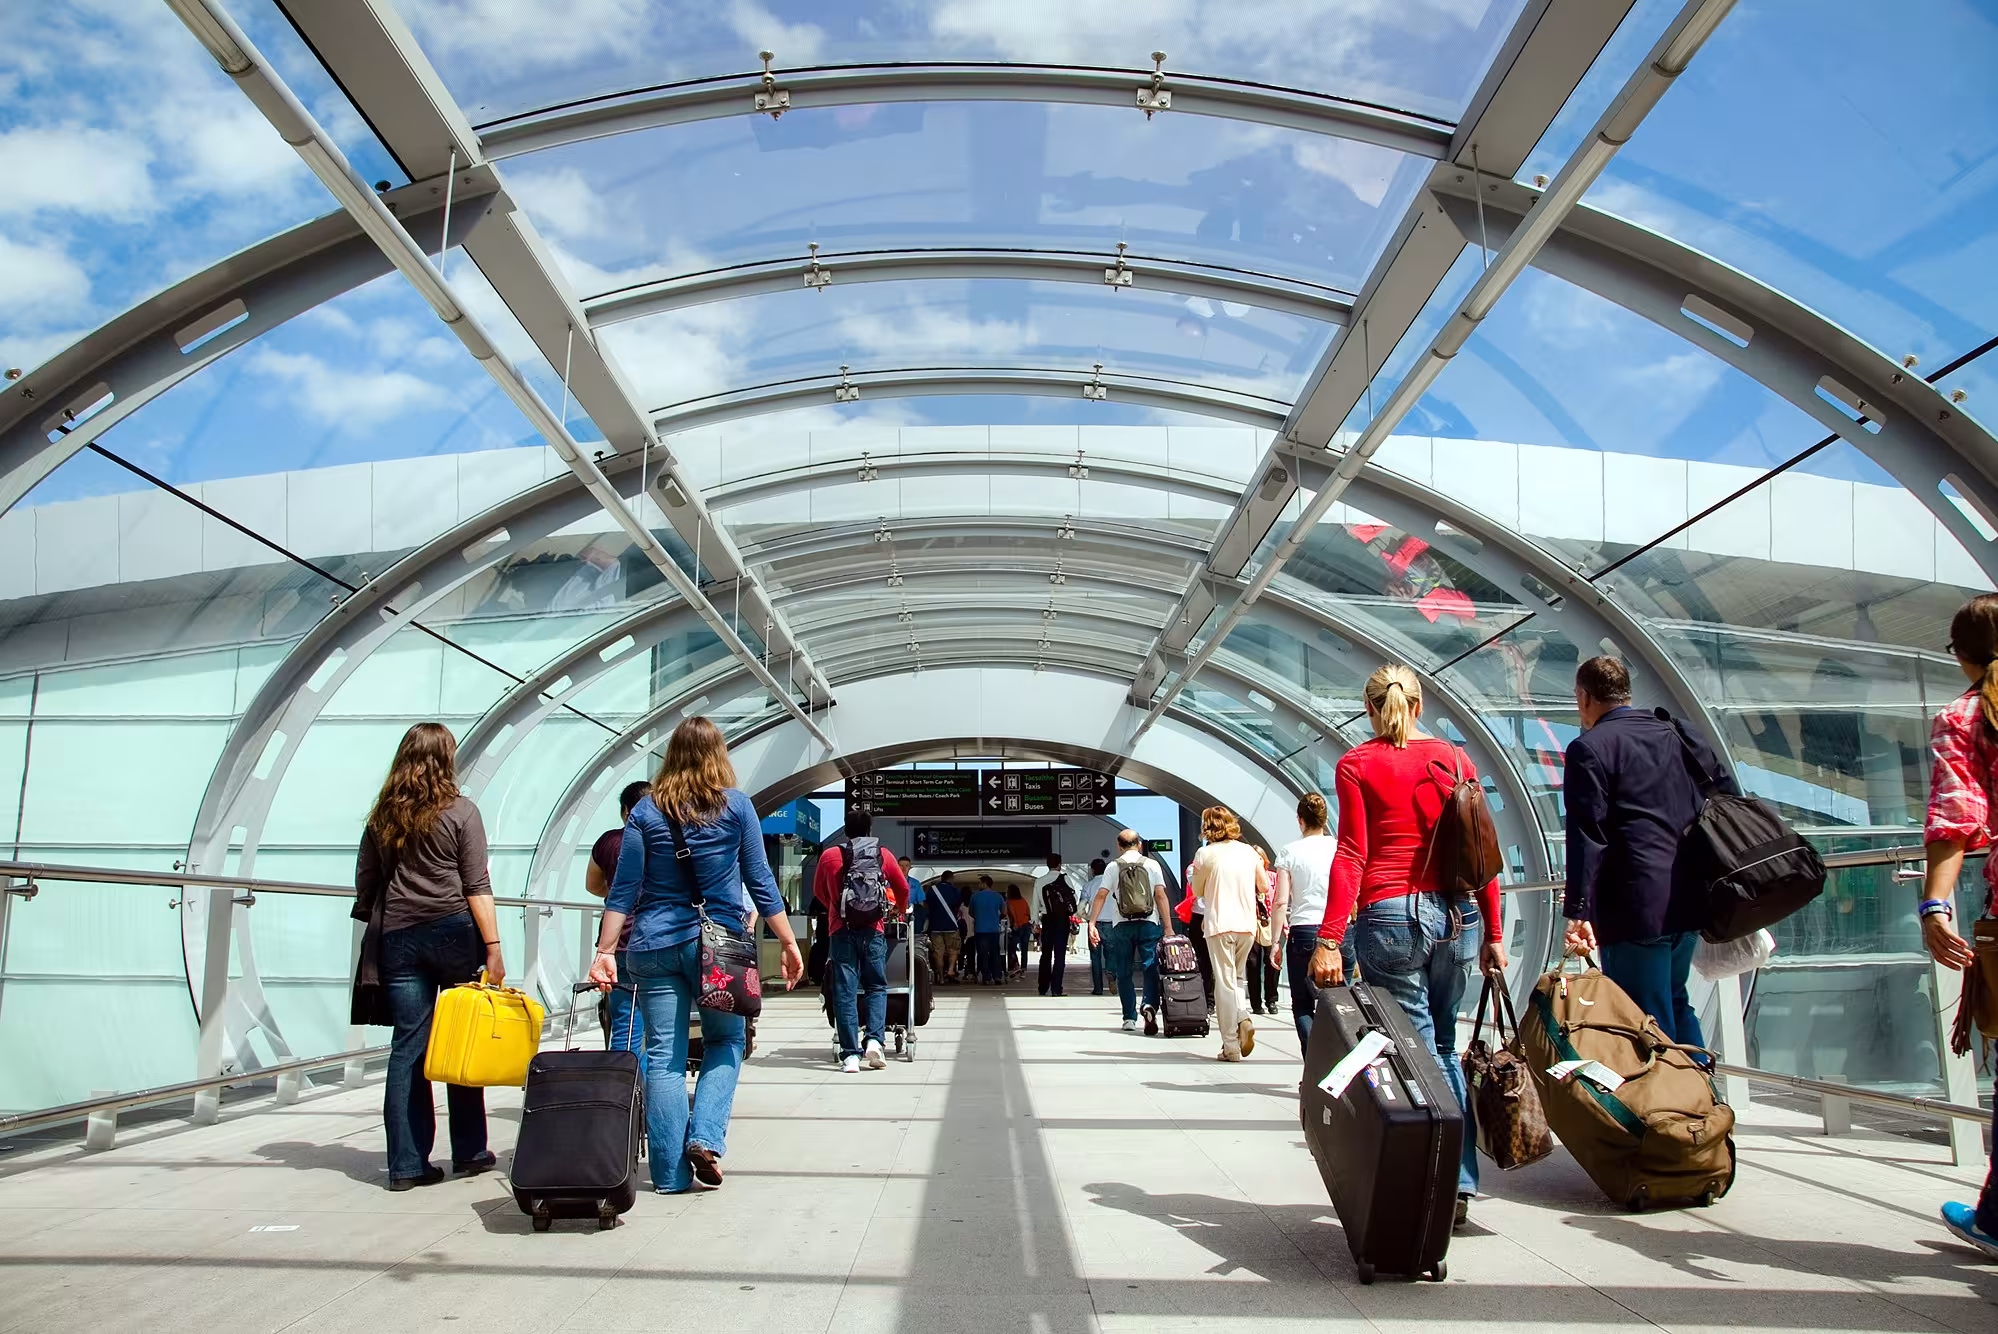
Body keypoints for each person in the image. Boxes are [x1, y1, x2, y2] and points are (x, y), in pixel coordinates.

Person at [1310, 665, 1506, 1228]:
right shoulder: (1455, 760)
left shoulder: (1358, 763)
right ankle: (1460, 1184)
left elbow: (1351, 854)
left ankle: (1437, 1181)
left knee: (1414, 1050)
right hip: (1458, 915)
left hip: (1391, 915)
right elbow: (1481, 851)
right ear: (1419, 706)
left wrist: (1329, 939)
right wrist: (1493, 932)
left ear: (1370, 708)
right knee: (1442, 1045)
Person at [587, 716, 804, 1194]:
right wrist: (788, 942)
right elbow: (760, 880)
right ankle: (705, 1137)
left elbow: (622, 892)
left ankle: (668, 1176)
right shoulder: (736, 807)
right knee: (725, 1041)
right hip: (718, 947)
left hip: (654, 945)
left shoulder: (645, 813)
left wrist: (605, 951)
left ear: (672, 756)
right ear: (719, 755)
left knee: (662, 1055)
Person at [352, 722, 504, 1191]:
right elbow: (476, 885)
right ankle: (470, 1151)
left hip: (397, 935)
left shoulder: (382, 817)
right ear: (447, 759)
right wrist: (494, 948)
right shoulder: (462, 811)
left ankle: (406, 1164)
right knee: (461, 1035)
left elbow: (366, 879)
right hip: (454, 930)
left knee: (408, 1048)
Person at [1560, 655, 1734, 1048]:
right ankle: (1704, 1101)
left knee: (1641, 1017)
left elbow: (1588, 833)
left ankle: (1669, 1106)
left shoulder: (1590, 748)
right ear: (1626, 693)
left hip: (1634, 906)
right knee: (1676, 1000)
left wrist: (1578, 910)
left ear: (1584, 698)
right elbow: (1725, 792)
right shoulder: (1675, 731)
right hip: (1688, 897)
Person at [1915, 594, 1998, 1258]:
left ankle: (1996, 1218)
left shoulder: (1965, 717)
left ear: (1962, 653)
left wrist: (1935, 906)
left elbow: (1954, 822)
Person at [813, 810, 912, 1072]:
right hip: (874, 929)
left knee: (845, 990)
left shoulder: (829, 855)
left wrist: (836, 909)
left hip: (840, 929)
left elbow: (818, 892)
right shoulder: (882, 854)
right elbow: (902, 888)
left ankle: (850, 1056)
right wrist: (897, 910)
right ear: (869, 830)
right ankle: (875, 1042)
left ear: (845, 829)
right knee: (876, 986)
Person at [1188, 806, 1269, 1061]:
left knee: (1223, 983)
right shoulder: (1248, 852)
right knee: (1238, 979)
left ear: (1208, 826)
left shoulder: (1205, 853)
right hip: (1247, 925)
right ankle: (1242, 1013)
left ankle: (1231, 1044)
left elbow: (1198, 891)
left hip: (1219, 924)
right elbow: (1264, 886)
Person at [584, 780, 653, 1061]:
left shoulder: (609, 842)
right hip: (657, 939)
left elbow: (592, 885)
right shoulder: (665, 840)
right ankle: (649, 1095)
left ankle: (623, 1094)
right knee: (660, 1028)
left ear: (626, 811)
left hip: (618, 941)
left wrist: (615, 896)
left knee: (625, 1023)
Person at [1089, 831, 1172, 1033]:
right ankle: (1149, 1005)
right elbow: (1160, 895)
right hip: (1149, 923)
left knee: (1124, 971)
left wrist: (1092, 922)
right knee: (1150, 967)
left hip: (1122, 924)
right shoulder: (1152, 865)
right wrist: (1168, 927)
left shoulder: (1113, 866)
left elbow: (1101, 895)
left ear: (1119, 845)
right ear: (1140, 845)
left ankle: (1129, 1018)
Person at [1272, 792, 1337, 1044]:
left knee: (1302, 1004)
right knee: (1338, 1003)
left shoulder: (1289, 852)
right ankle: (1337, 1071)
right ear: (1325, 819)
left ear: (1299, 820)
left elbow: (1280, 901)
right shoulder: (1339, 847)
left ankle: (1313, 1068)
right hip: (1339, 930)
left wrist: (1276, 942)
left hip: (1304, 930)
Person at [1034, 854, 1081, 996]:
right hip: (1062, 920)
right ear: (1059, 864)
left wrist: (1035, 922)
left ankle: (1042, 987)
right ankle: (1056, 989)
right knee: (1060, 956)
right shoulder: (1066, 879)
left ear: (1047, 864)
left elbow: (1035, 904)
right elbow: (1074, 899)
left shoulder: (1040, 881)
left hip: (1047, 919)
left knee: (1046, 954)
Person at [1245, 845, 1282, 1016]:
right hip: (1251, 924)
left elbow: (1279, 901)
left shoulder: (1273, 877)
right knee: (1252, 964)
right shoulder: (1245, 879)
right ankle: (1256, 1003)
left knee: (1272, 962)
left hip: (1270, 924)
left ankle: (1272, 999)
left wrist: (1284, 926)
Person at [968, 875, 1007, 984]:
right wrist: (996, 919)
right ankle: (997, 976)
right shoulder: (998, 896)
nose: (978, 885)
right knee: (995, 953)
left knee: (982, 954)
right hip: (994, 929)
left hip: (980, 929)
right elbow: (1004, 912)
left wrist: (979, 917)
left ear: (985, 883)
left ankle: (986, 977)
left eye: (980, 883)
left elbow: (971, 912)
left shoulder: (975, 896)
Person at [928, 870, 964, 985]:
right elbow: (957, 905)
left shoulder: (932, 890)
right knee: (954, 950)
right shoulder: (955, 890)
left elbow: (927, 905)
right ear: (951, 878)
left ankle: (941, 978)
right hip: (951, 925)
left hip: (935, 926)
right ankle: (950, 970)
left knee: (938, 953)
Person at [1083, 857, 1110, 996]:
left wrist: (1086, 917)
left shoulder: (1089, 885)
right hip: (1112, 923)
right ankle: (1112, 975)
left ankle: (1098, 988)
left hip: (1095, 924)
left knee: (1095, 957)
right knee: (1111, 955)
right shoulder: (1113, 884)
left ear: (1092, 870)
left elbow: (1081, 906)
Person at [1004, 886, 1033, 977]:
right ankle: (1023, 969)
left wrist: (1015, 923)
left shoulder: (1009, 902)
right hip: (1026, 926)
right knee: (1024, 948)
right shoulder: (1023, 900)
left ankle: (1015, 964)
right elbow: (1028, 912)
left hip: (1017, 926)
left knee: (1011, 946)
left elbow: (1012, 913)